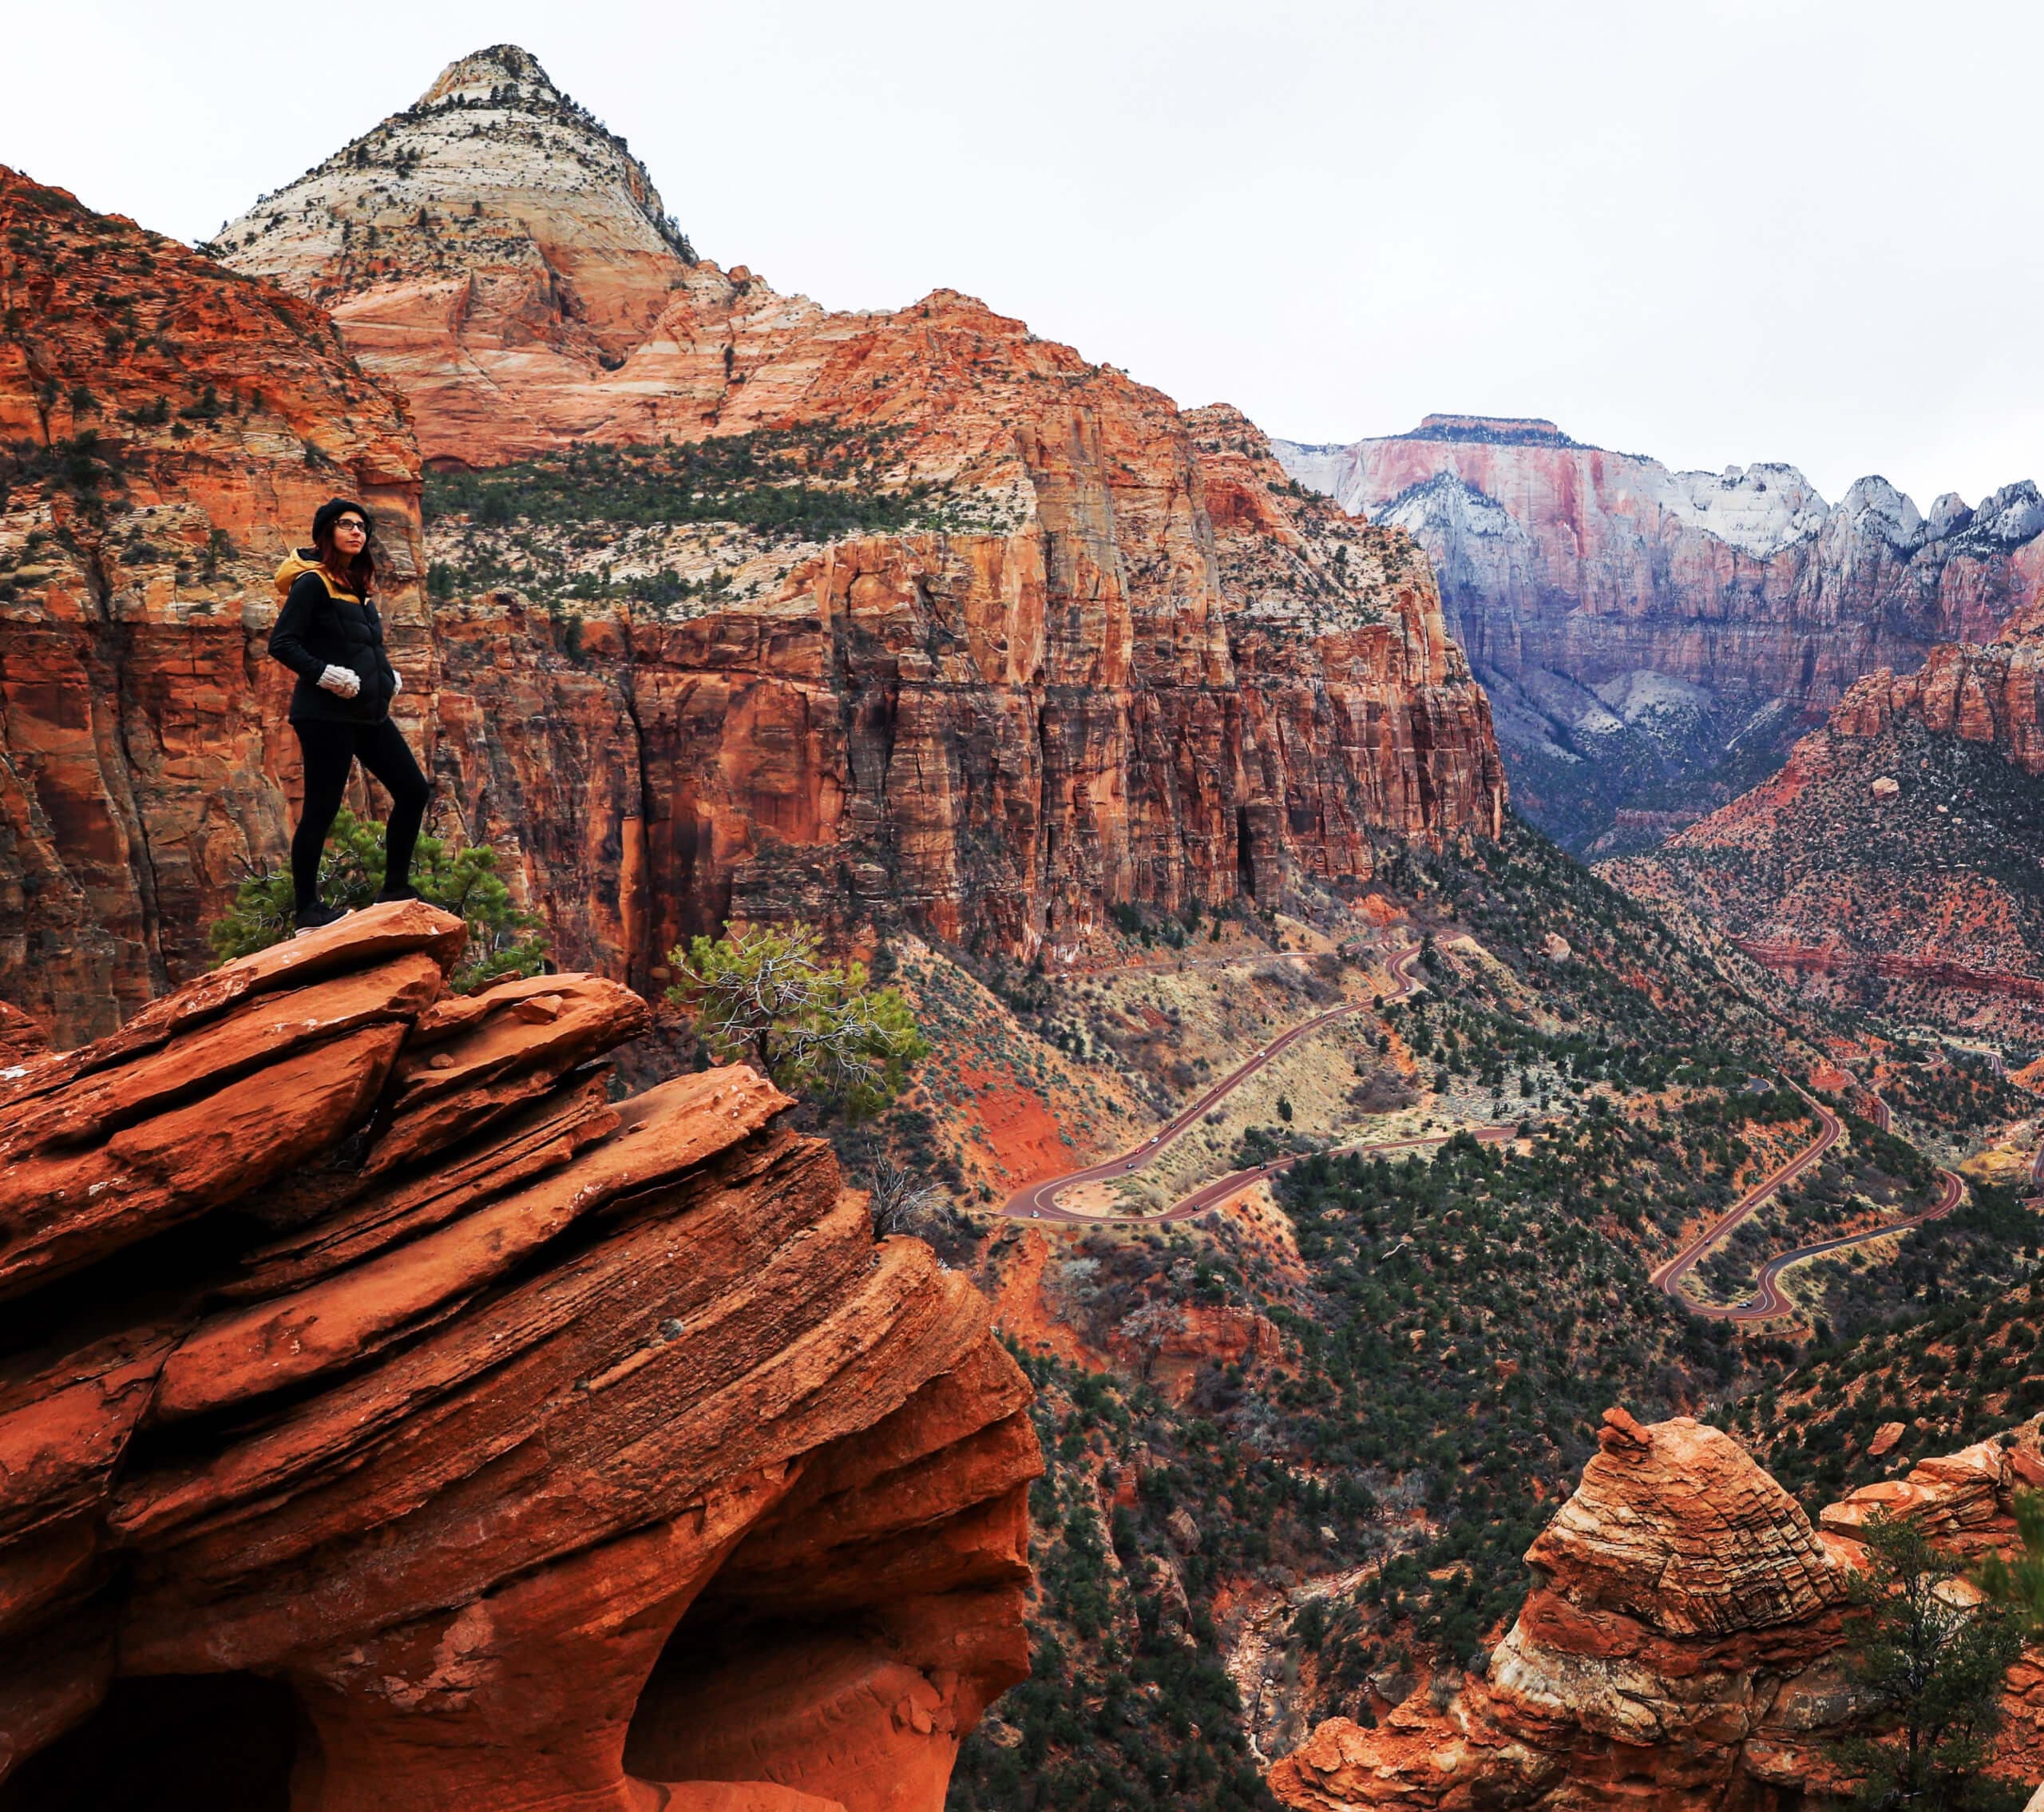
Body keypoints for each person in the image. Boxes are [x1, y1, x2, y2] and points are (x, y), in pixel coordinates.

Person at [267, 497, 432, 932]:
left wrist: (385, 675)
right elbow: (282, 643)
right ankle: (308, 911)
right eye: (346, 525)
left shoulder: (357, 587)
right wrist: (325, 675)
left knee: (413, 791)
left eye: (362, 526)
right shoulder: (313, 584)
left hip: (368, 713)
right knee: (321, 809)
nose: (356, 532)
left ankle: (395, 887)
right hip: (325, 715)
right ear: (327, 532)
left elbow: (359, 646)